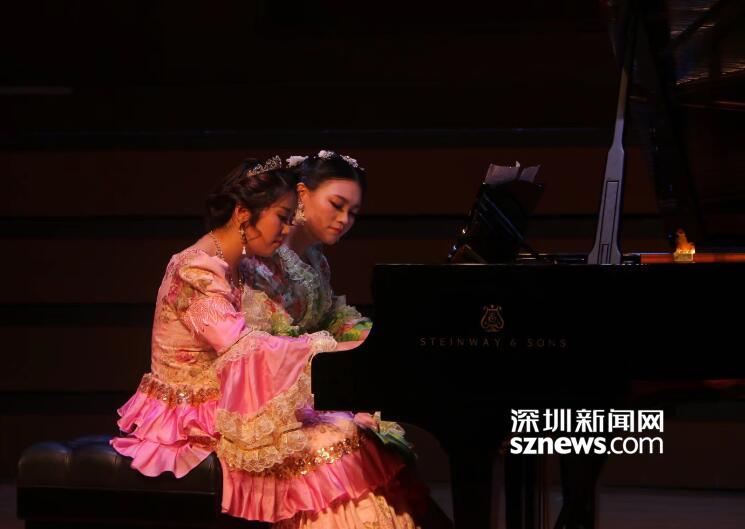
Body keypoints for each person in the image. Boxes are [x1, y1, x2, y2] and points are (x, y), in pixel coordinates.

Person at [111, 156, 430, 528]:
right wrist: (326, 351)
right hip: (194, 411)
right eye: (282, 216)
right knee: (334, 445)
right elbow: (242, 349)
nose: (287, 229)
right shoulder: (195, 269)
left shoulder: (242, 265)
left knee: (360, 432)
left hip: (234, 395)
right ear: (243, 213)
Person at [242, 150, 371, 342]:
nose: (344, 219)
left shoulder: (316, 257)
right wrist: (330, 348)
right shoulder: (264, 253)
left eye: (352, 212)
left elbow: (329, 319)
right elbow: (267, 341)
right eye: (336, 204)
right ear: (302, 193)